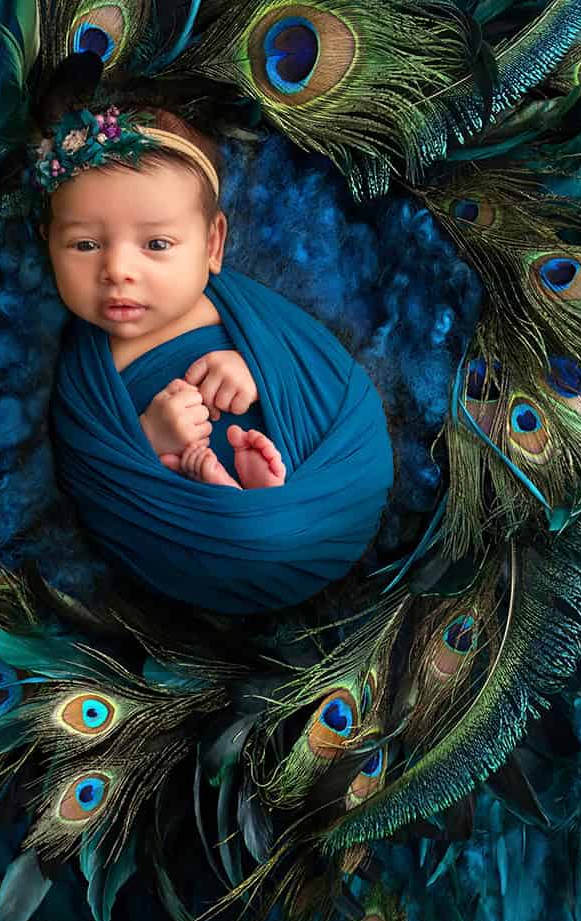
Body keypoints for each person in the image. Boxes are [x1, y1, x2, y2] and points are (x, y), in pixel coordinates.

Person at [37, 104, 396, 616]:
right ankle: (235, 506)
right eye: (86, 244)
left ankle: (263, 499)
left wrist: (260, 372)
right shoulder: (83, 373)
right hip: (187, 530)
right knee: (213, 533)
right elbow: (95, 469)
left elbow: (324, 375)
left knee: (285, 494)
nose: (117, 269)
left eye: (156, 244)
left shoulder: (248, 314)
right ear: (49, 245)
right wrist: (149, 437)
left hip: (322, 492)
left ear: (212, 245)